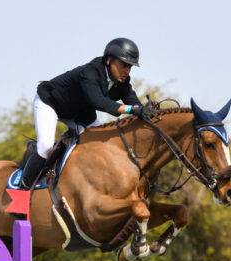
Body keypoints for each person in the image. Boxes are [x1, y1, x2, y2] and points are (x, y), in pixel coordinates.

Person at [18, 38, 154, 190]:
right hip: (51, 103)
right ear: (109, 60)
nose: (127, 71)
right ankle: (22, 191)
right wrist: (131, 110)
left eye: (130, 67)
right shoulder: (90, 72)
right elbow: (99, 102)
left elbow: (132, 102)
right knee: (45, 146)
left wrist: (146, 112)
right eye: (124, 65)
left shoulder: (123, 81)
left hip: (79, 113)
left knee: (106, 144)